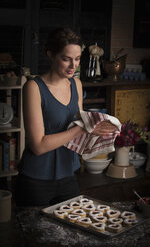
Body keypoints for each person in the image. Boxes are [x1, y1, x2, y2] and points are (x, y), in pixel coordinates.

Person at [16, 27, 118, 206]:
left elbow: (78, 130)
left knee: (73, 229)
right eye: (66, 59)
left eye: (77, 59)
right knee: (37, 232)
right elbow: (38, 146)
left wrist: (97, 130)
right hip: (36, 179)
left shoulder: (76, 84)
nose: (73, 66)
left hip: (68, 174)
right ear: (50, 54)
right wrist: (83, 128)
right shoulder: (33, 87)